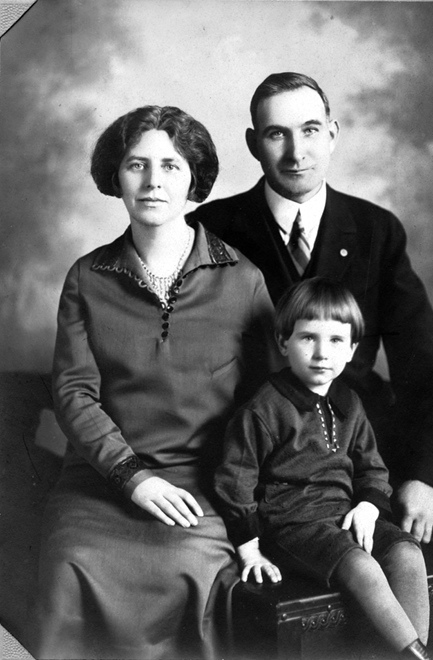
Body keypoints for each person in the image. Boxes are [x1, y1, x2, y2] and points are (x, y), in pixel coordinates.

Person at [189, 72, 433, 625]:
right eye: (276, 134)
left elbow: (425, 365)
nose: (296, 151)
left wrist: (421, 475)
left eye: (309, 130)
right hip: (269, 449)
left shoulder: (375, 229)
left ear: (332, 133)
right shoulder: (211, 229)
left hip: (369, 437)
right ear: (254, 143)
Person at [33, 105, 278, 660]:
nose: (152, 182)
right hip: (101, 481)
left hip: (207, 483)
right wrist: (133, 477)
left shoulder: (242, 279)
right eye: (136, 165)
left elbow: (270, 398)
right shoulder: (86, 276)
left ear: (194, 177)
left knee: (187, 569)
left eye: (170, 165)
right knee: (68, 563)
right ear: (114, 177)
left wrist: (243, 487)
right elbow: (73, 392)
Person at [215, 278, 431, 660]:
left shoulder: (349, 402)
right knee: (361, 566)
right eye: (307, 338)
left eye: (335, 340)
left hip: (345, 516)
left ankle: (417, 652)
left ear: (351, 350)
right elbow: (235, 481)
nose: (321, 353)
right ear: (284, 342)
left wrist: (367, 506)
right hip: (293, 525)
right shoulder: (264, 408)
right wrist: (250, 551)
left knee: (406, 552)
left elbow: (371, 469)